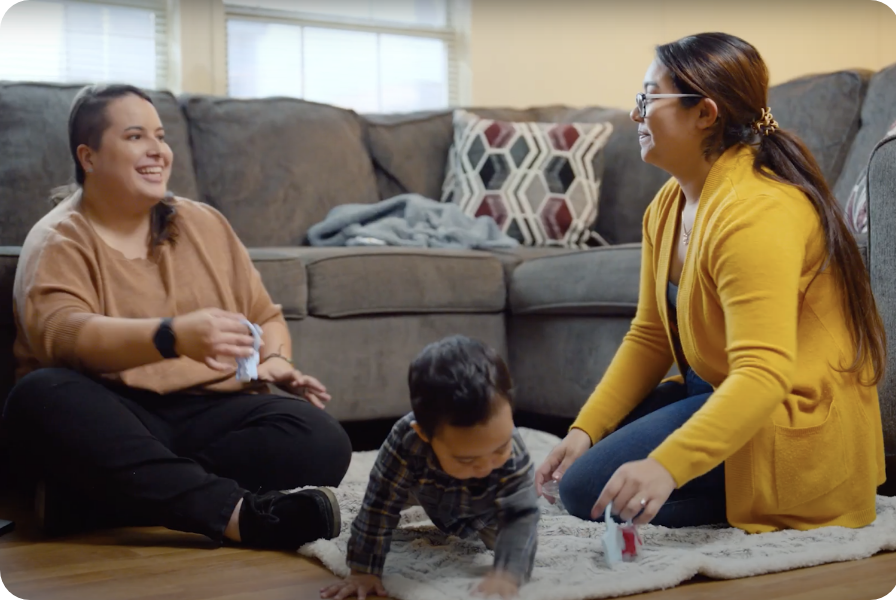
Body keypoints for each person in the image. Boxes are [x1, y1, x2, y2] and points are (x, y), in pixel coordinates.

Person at [535, 32, 886, 533]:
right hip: (722, 390)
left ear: (705, 113)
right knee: (589, 463)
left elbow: (762, 374)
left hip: (783, 413)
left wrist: (666, 466)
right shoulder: (666, 207)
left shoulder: (758, 211)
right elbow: (650, 335)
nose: (635, 115)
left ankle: (796, 498)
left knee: (586, 491)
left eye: (647, 99)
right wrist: (583, 431)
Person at [2, 84, 353, 549]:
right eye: (134, 137)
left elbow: (264, 315)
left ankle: (96, 499)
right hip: (115, 412)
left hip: (207, 408)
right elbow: (64, 335)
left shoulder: (203, 223)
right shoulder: (58, 239)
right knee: (38, 395)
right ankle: (241, 517)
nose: (157, 151)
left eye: (160, 136)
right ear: (88, 157)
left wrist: (278, 362)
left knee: (322, 438)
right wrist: (171, 337)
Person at [320, 335, 539, 600]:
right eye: (467, 459)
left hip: (487, 506)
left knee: (510, 541)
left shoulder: (512, 450)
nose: (485, 466)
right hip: (421, 485)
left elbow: (521, 516)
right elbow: (379, 504)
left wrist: (508, 573)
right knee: (384, 500)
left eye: (499, 448)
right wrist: (363, 570)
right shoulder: (406, 441)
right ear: (424, 434)